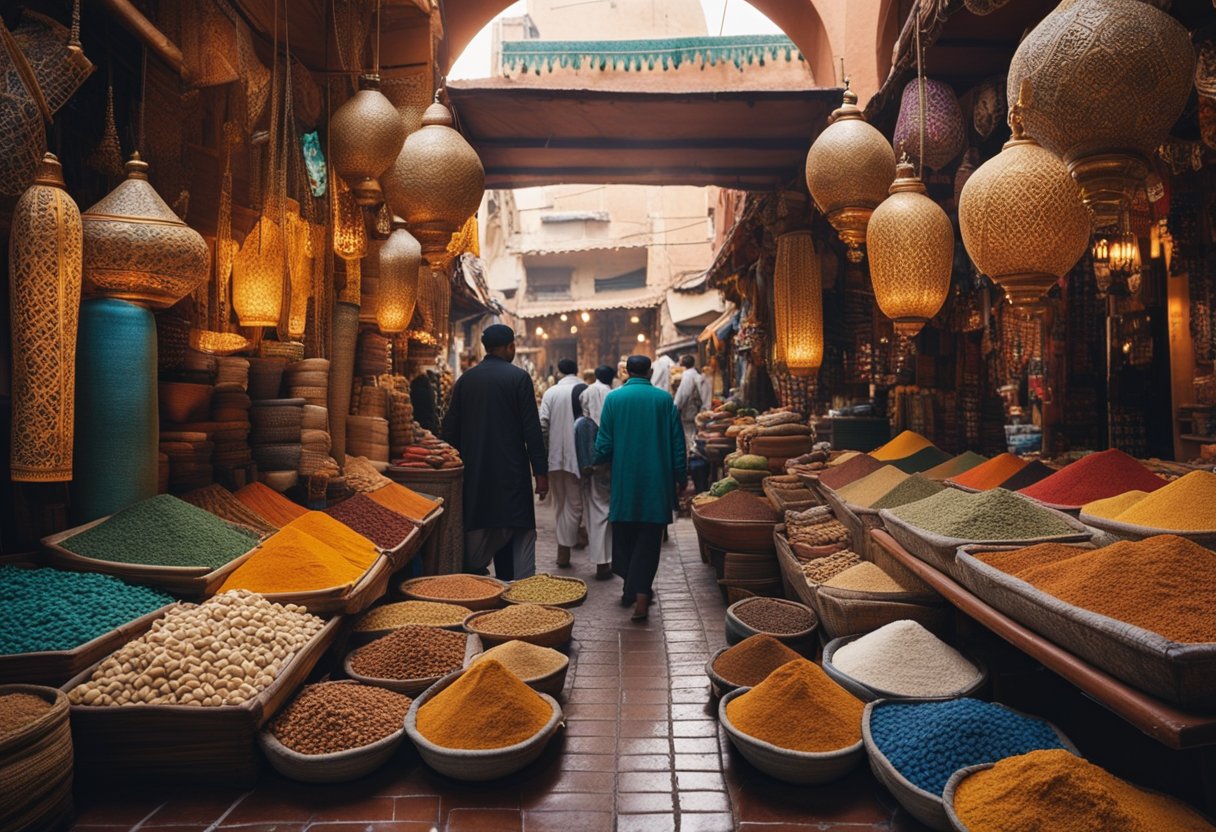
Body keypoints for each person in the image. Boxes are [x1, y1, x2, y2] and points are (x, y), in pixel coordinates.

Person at [441, 324, 548, 579]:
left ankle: (483, 595)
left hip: (476, 473)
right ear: (511, 346)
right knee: (514, 532)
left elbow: (449, 431)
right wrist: (540, 473)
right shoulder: (519, 378)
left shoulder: (465, 380)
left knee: (479, 535)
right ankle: (514, 596)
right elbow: (532, 431)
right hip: (512, 473)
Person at [594, 355, 687, 621]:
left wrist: (595, 460)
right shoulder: (663, 400)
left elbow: (604, 442)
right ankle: (638, 591)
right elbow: (677, 443)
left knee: (623, 537)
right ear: (650, 371)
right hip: (656, 482)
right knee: (648, 540)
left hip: (624, 481)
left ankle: (637, 592)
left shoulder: (613, 399)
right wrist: (680, 476)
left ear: (626, 371)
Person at [538, 358, 584, 568]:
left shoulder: (551, 392)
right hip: (578, 457)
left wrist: (546, 450)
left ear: (558, 371)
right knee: (575, 504)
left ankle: (563, 549)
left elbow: (543, 424)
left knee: (561, 503)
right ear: (577, 370)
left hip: (555, 456)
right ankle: (564, 548)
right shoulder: (585, 389)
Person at [575, 365, 616, 580]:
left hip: (589, 459)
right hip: (607, 458)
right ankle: (605, 562)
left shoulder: (586, 392)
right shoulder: (613, 394)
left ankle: (602, 561)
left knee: (594, 511)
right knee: (606, 511)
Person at [672, 354, 708, 452]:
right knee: (693, 434)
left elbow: (684, 393)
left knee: (689, 436)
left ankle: (693, 459)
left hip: (689, 411)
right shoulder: (695, 373)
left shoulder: (688, 375)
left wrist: (675, 407)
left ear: (683, 364)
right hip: (694, 409)